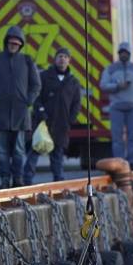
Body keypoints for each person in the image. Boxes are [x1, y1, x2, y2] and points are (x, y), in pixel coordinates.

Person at [0, 26, 40, 188]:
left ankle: (18, 179)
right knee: (1, 150)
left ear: (21, 45)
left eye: (17, 43)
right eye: (11, 42)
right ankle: (5, 180)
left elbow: (36, 85)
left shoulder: (27, 60)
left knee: (19, 150)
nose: (13, 45)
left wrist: (29, 101)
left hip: (21, 113)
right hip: (1, 113)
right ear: (6, 42)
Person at [24, 47, 82, 183]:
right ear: (55, 59)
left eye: (65, 57)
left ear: (69, 61)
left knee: (57, 155)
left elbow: (76, 103)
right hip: (43, 123)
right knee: (35, 151)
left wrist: (70, 119)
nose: (62, 59)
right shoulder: (44, 76)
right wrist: (40, 111)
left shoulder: (73, 82)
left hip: (62, 124)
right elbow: (36, 96)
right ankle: (26, 180)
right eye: (60, 56)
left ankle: (59, 182)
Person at [100, 41, 133, 167]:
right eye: (121, 52)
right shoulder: (111, 69)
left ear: (130, 54)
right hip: (116, 107)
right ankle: (119, 163)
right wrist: (117, 86)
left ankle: (131, 162)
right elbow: (103, 85)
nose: (124, 55)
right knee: (117, 137)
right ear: (118, 54)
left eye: (126, 53)